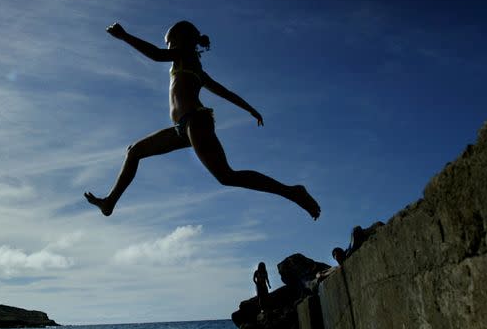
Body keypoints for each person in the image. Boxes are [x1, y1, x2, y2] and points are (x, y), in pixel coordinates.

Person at [84, 21, 320, 220]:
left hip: (195, 121)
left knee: (226, 176)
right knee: (134, 151)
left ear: (182, 40)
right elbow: (224, 91)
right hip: (182, 128)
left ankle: (292, 191)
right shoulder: (195, 67)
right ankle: (110, 202)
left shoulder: (184, 55)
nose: (168, 47)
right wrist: (250, 109)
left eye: (170, 42)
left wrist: (125, 36)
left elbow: (157, 55)